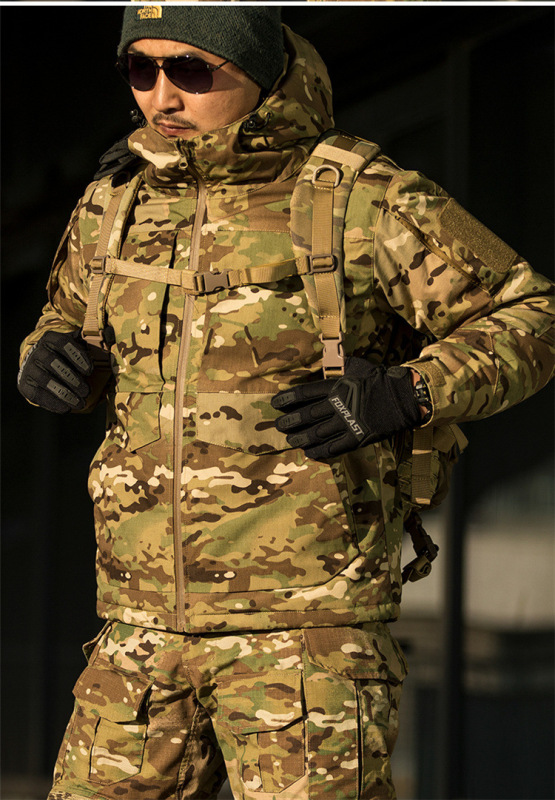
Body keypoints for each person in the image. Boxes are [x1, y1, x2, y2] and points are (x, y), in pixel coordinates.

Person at [17, 6, 554, 800]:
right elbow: (63, 319)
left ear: (261, 73)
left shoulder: (357, 198)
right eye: (140, 69)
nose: (161, 96)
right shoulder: (115, 200)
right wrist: (44, 356)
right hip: (140, 631)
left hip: (305, 637)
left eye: (190, 70)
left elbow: (529, 316)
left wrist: (404, 392)